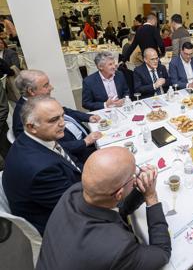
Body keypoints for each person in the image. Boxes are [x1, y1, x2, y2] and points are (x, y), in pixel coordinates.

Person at [36, 147, 171, 269]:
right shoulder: (118, 248)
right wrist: (151, 197)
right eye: (134, 174)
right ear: (119, 194)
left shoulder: (74, 192)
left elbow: (119, 210)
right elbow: (161, 253)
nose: (137, 173)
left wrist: (142, 190)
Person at [2, 96, 82, 235]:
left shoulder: (39, 137)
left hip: (65, 195)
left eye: (62, 116)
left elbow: (73, 162)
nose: (63, 123)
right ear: (31, 127)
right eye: (54, 120)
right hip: (60, 225)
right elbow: (76, 205)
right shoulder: (41, 169)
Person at [13, 70, 102, 163]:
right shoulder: (23, 118)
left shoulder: (38, 101)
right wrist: (85, 142)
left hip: (87, 138)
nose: (51, 87)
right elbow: (48, 148)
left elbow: (66, 110)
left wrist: (88, 117)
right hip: (78, 154)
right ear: (31, 91)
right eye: (46, 85)